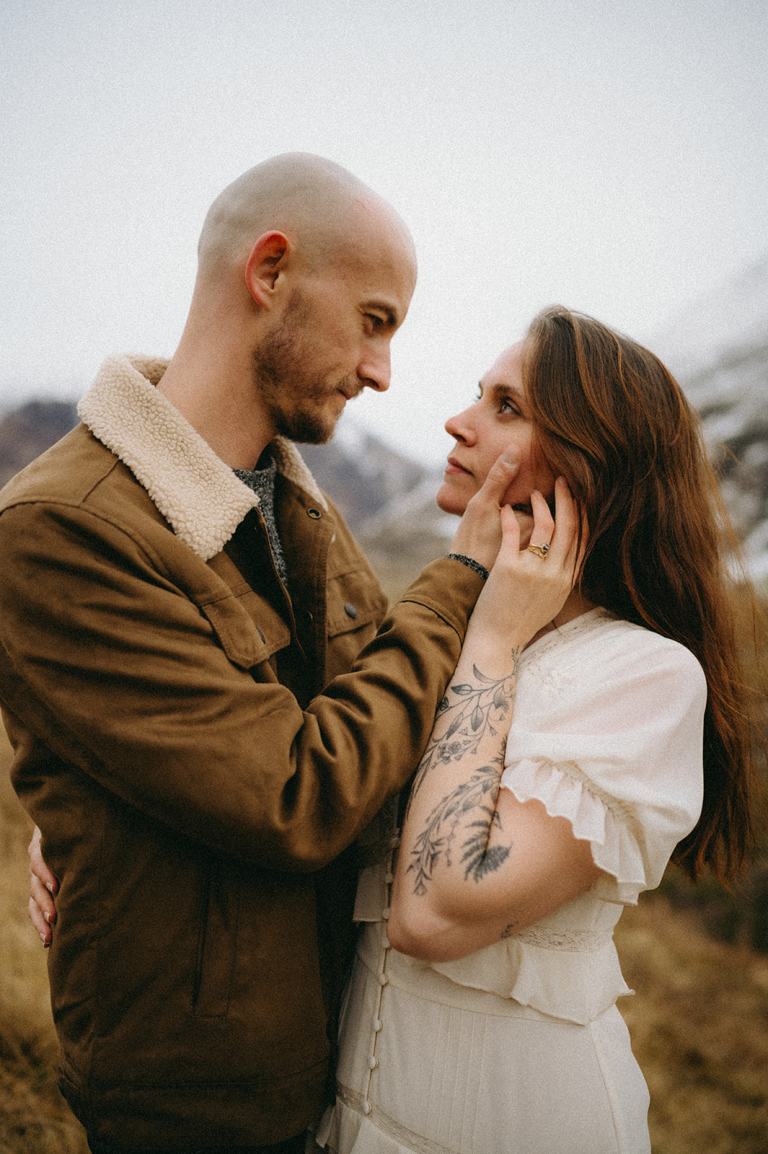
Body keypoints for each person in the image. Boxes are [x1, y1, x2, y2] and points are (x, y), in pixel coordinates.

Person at [0, 152, 527, 1154]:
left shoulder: (291, 498)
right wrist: (464, 582)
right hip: (198, 1107)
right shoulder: (56, 528)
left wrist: (88, 820)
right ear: (271, 270)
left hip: (342, 1057)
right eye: (375, 321)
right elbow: (297, 793)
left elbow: (387, 732)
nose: (382, 371)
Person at [312, 307, 756, 1154]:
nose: (458, 420)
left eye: (506, 406)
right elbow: (302, 783)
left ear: (591, 465)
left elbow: (438, 914)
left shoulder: (646, 678)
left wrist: (492, 640)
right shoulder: (433, 634)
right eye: (478, 395)